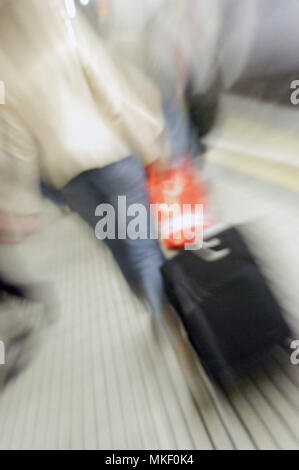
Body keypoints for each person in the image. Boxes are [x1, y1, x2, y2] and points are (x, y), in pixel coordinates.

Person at [0, 0, 170, 319]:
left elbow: (19, 146)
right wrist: (149, 142)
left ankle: (154, 309)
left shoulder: (4, 71)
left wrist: (22, 205)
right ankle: (173, 326)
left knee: (119, 249)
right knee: (143, 249)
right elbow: (110, 91)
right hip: (112, 158)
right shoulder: (64, 32)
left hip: (70, 180)